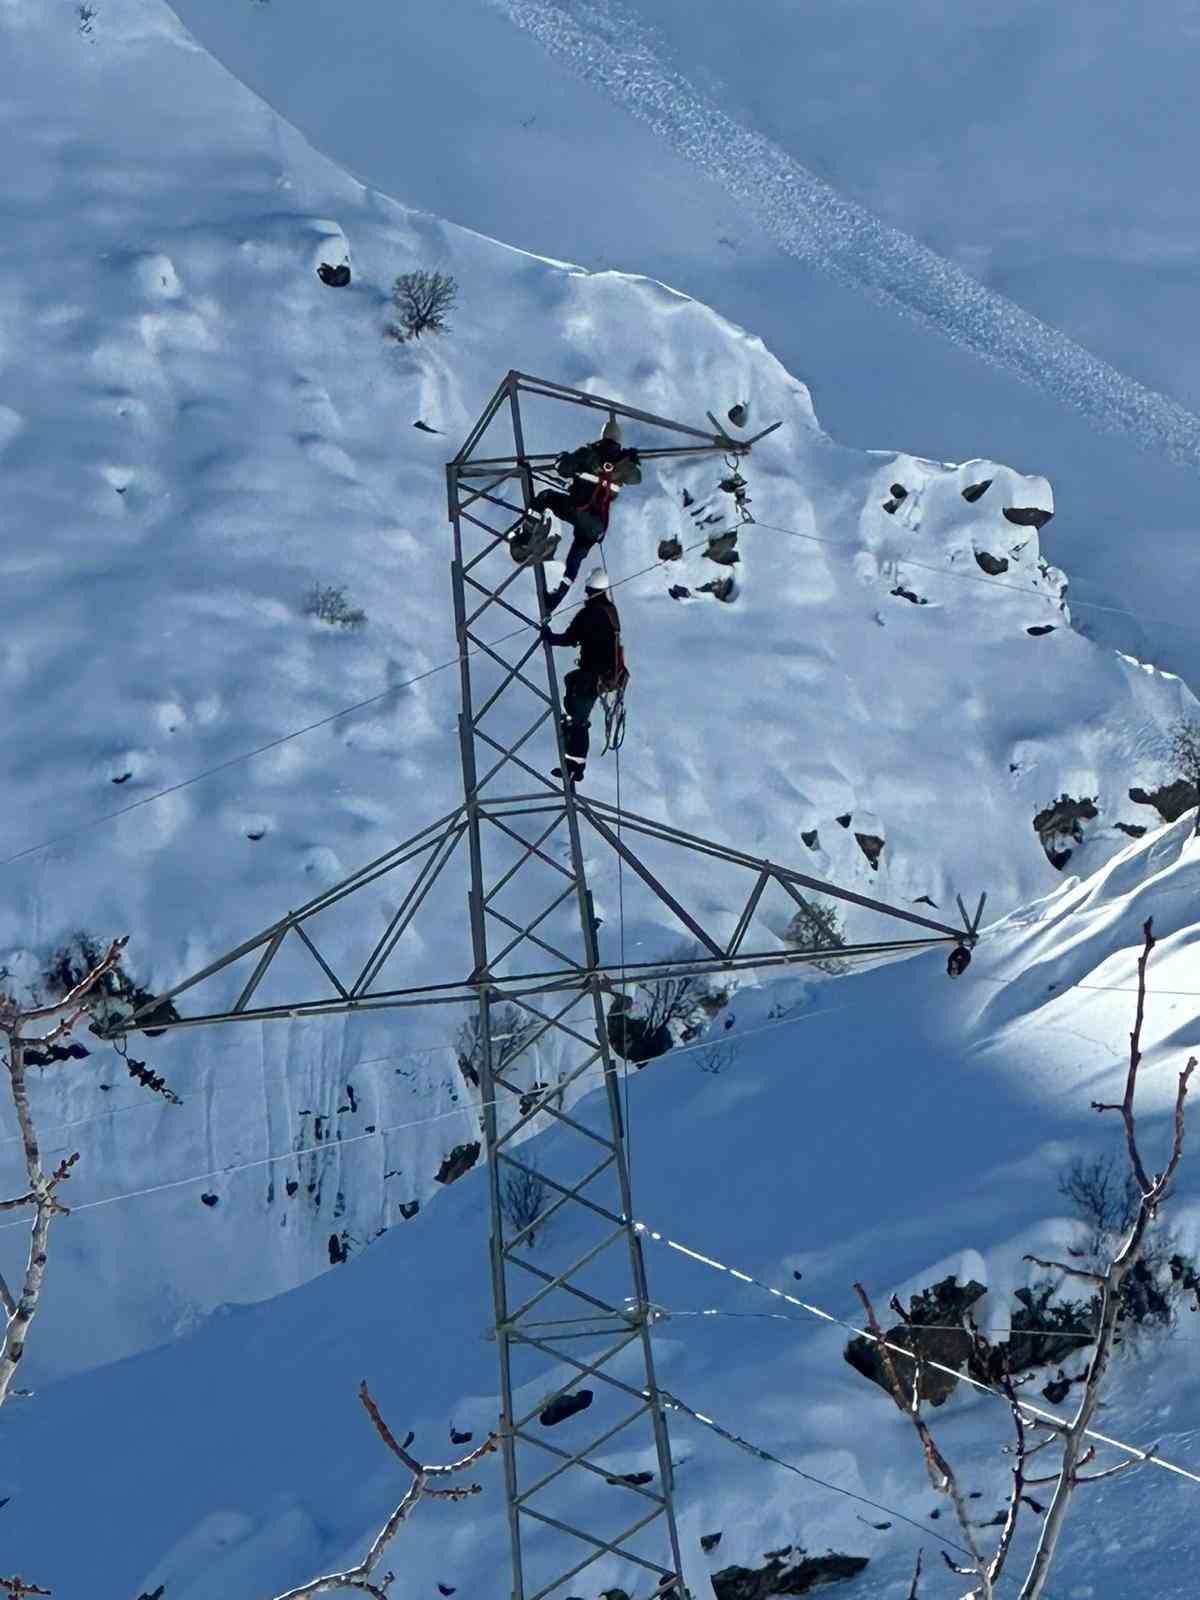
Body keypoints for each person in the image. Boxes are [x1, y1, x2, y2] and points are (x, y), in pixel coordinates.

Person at [526, 419, 641, 613]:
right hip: (597, 526)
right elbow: (637, 478)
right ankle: (553, 602)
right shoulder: (625, 466)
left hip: (578, 510)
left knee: (546, 498)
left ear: (602, 435)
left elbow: (563, 467)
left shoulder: (589, 454)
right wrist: (630, 458)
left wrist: (563, 457)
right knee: (574, 561)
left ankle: (526, 535)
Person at [540, 569, 623, 785]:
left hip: (591, 676)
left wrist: (549, 637)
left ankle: (575, 768)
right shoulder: (609, 611)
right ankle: (573, 765)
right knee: (575, 713)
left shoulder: (591, 614)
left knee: (578, 720)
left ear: (590, 589)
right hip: (600, 676)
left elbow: (570, 637)